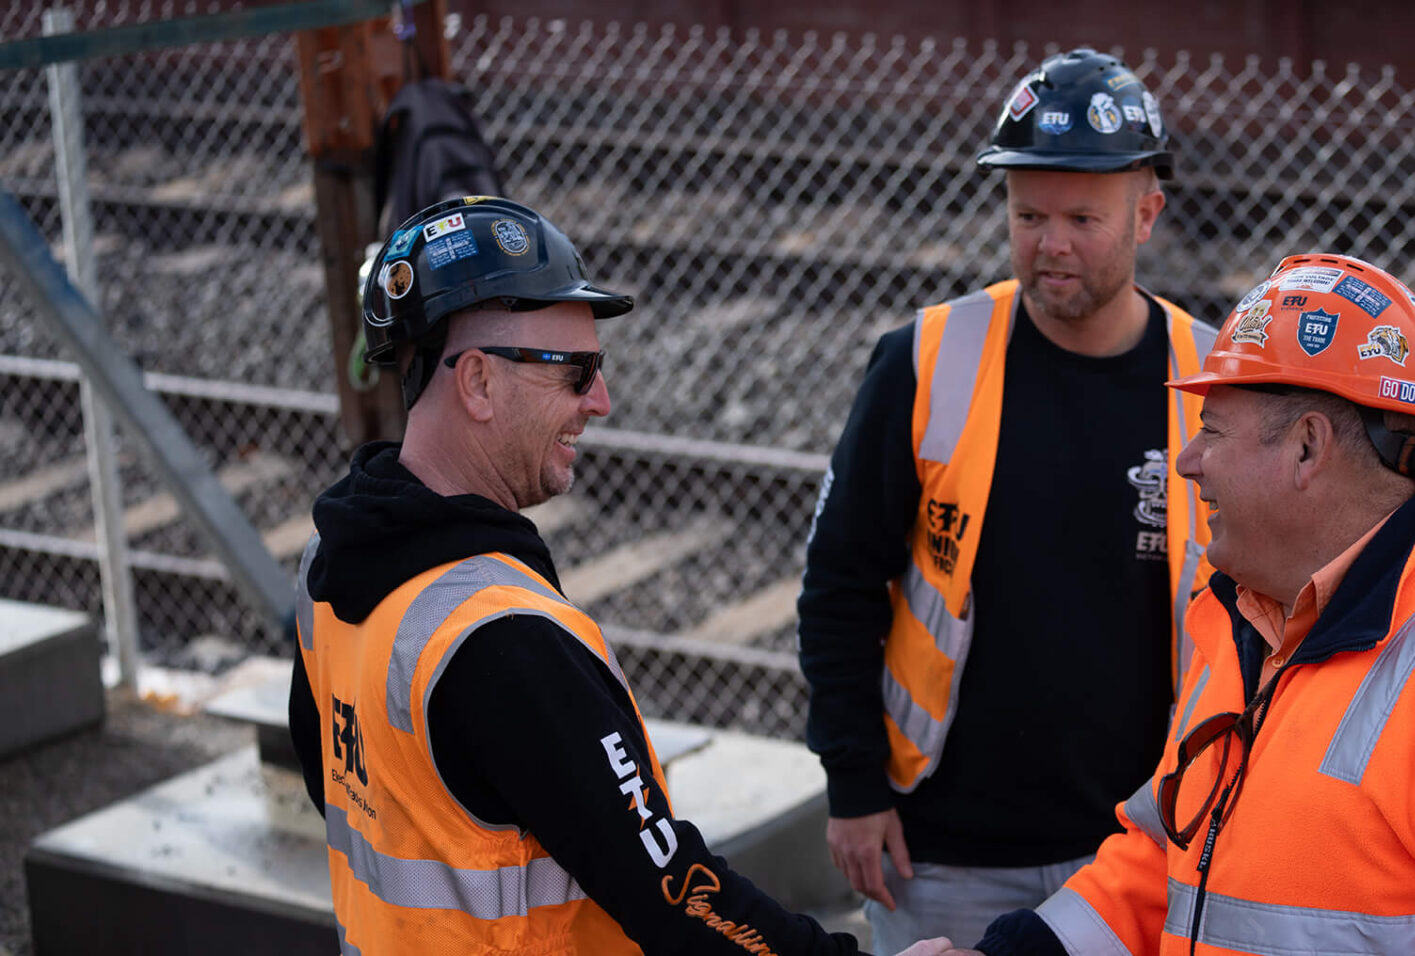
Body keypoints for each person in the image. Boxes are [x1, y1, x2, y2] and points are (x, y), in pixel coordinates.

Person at [287, 196, 950, 956]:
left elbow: (336, 790)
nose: (600, 401)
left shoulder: (329, 569)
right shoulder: (502, 641)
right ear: (475, 382)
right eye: (576, 373)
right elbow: (672, 892)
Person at [968, 253, 1415, 954]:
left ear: (1308, 448)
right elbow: (1161, 865)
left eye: (1214, 430)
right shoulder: (1243, 619)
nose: (1187, 460)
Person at [797, 49, 1216, 953]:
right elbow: (838, 581)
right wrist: (854, 785)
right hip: (942, 850)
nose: (1049, 243)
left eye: (1081, 218)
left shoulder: (1209, 386)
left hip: (1137, 854)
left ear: (1147, 214)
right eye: (1028, 215)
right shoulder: (927, 359)